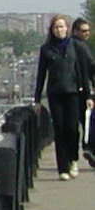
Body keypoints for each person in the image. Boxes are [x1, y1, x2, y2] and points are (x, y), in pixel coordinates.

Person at [35, 14, 88, 179]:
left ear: (67, 28)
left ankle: (73, 160)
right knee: (59, 129)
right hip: (55, 93)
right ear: (52, 30)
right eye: (56, 27)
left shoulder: (76, 46)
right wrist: (36, 99)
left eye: (62, 26)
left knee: (72, 129)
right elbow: (41, 74)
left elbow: (82, 72)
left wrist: (88, 96)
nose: (59, 30)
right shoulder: (46, 49)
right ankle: (62, 168)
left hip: (73, 93)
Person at [71, 18, 95, 165]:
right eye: (84, 31)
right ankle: (89, 148)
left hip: (73, 89)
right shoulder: (81, 47)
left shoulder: (70, 45)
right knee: (88, 120)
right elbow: (91, 67)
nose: (87, 33)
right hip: (82, 90)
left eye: (88, 30)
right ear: (75, 31)